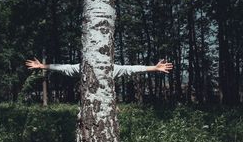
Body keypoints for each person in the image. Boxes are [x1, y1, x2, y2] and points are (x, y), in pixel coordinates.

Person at [25, 58, 173, 78]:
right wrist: (42, 66)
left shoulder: (111, 68)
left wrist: (154, 68)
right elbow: (63, 67)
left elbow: (131, 68)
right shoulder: (81, 68)